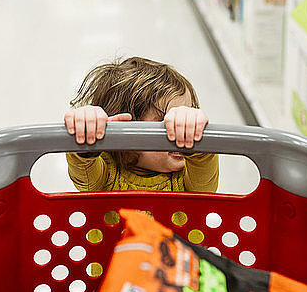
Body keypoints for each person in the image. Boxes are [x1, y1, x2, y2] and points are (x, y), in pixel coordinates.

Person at [64, 57, 218, 192]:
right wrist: (87, 132)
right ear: (125, 128)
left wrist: (194, 132)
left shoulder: (188, 177)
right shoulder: (106, 174)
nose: (179, 129)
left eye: (186, 113)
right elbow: (83, 171)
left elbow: (204, 173)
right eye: (165, 121)